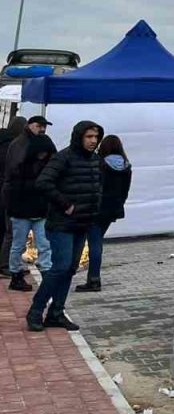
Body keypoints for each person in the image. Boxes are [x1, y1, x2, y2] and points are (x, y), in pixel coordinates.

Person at [28, 120, 103, 332]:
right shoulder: (63, 157)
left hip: (82, 223)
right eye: (89, 137)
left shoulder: (95, 160)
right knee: (59, 267)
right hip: (61, 224)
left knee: (69, 269)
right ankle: (36, 310)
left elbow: (96, 187)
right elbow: (43, 182)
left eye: (96, 137)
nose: (93, 141)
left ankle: (56, 313)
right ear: (79, 137)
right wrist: (66, 205)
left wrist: (94, 210)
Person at [76, 134, 131, 293]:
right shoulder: (126, 166)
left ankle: (94, 279)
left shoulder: (100, 164)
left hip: (96, 208)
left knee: (94, 243)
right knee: (97, 241)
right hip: (113, 209)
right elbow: (125, 191)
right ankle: (93, 278)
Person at [3, 133, 55, 291]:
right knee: (19, 246)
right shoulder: (26, 167)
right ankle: (17, 275)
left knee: (42, 245)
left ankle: (40, 274)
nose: (43, 154)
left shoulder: (41, 166)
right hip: (26, 212)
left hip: (34, 212)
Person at [1, 115, 45, 278]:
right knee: (11, 232)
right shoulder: (17, 146)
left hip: (7, 191)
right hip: (12, 194)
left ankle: (7, 264)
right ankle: (7, 265)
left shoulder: (8, 144)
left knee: (8, 232)